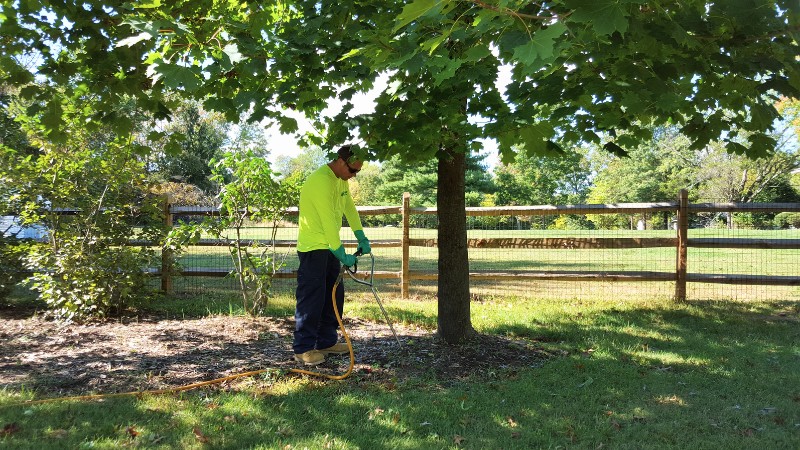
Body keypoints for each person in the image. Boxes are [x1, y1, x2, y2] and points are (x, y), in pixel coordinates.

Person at [293, 145, 371, 366]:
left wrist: (361, 236)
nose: (353, 176)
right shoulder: (321, 181)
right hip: (313, 248)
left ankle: (326, 341)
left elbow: (349, 209)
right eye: (352, 170)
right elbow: (328, 222)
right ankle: (303, 349)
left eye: (357, 172)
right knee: (312, 298)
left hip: (328, 247)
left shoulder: (340, 181)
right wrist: (342, 254)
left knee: (333, 296)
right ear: (340, 161)